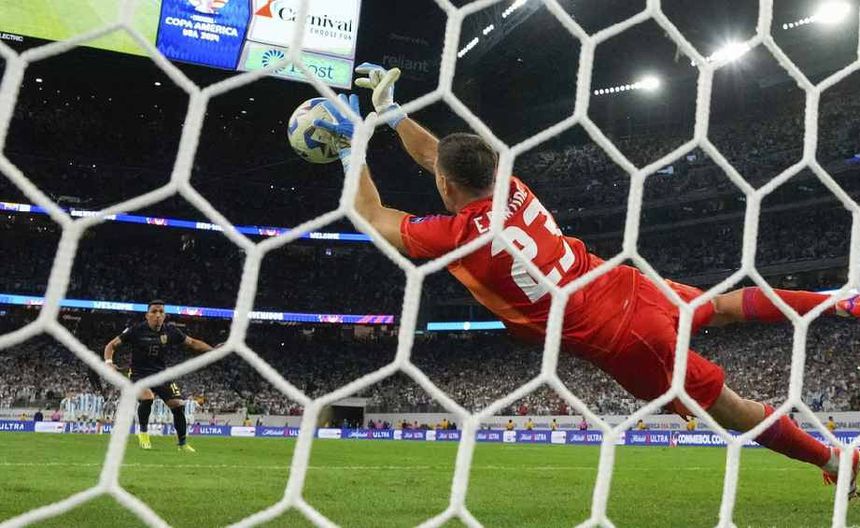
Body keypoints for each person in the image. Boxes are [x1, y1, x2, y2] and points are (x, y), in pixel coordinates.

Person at [313, 63, 860, 497]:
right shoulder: (510, 183)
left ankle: (836, 460)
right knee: (724, 306)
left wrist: (350, 149)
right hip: (621, 283)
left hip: (621, 336)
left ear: (447, 188)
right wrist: (393, 114)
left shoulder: (457, 236)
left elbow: (372, 215)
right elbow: (441, 157)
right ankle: (836, 301)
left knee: (732, 410)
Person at [104, 300, 215, 452]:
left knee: (178, 405)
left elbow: (193, 343)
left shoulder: (171, 331)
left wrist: (213, 350)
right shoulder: (136, 330)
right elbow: (110, 346)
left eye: (161, 312)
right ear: (147, 315)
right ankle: (143, 433)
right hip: (139, 374)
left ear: (165, 315)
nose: (158, 315)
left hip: (160, 374)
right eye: (154, 311)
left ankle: (182, 443)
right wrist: (109, 362)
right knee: (147, 397)